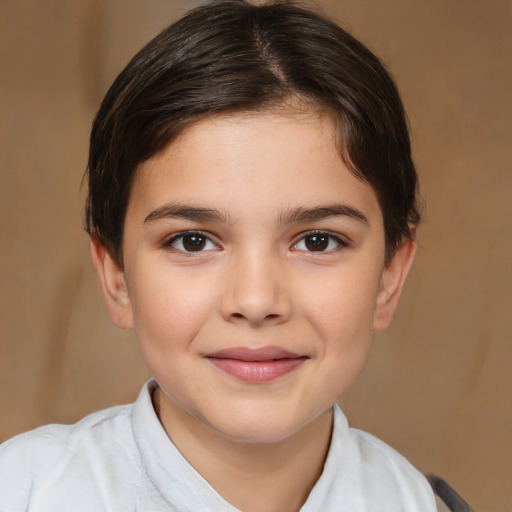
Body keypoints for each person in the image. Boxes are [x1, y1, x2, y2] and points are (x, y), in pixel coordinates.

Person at [0, 1, 470, 511]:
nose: (254, 300)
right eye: (193, 241)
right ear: (116, 275)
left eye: (317, 241)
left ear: (389, 279)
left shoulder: (422, 505)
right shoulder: (23, 491)